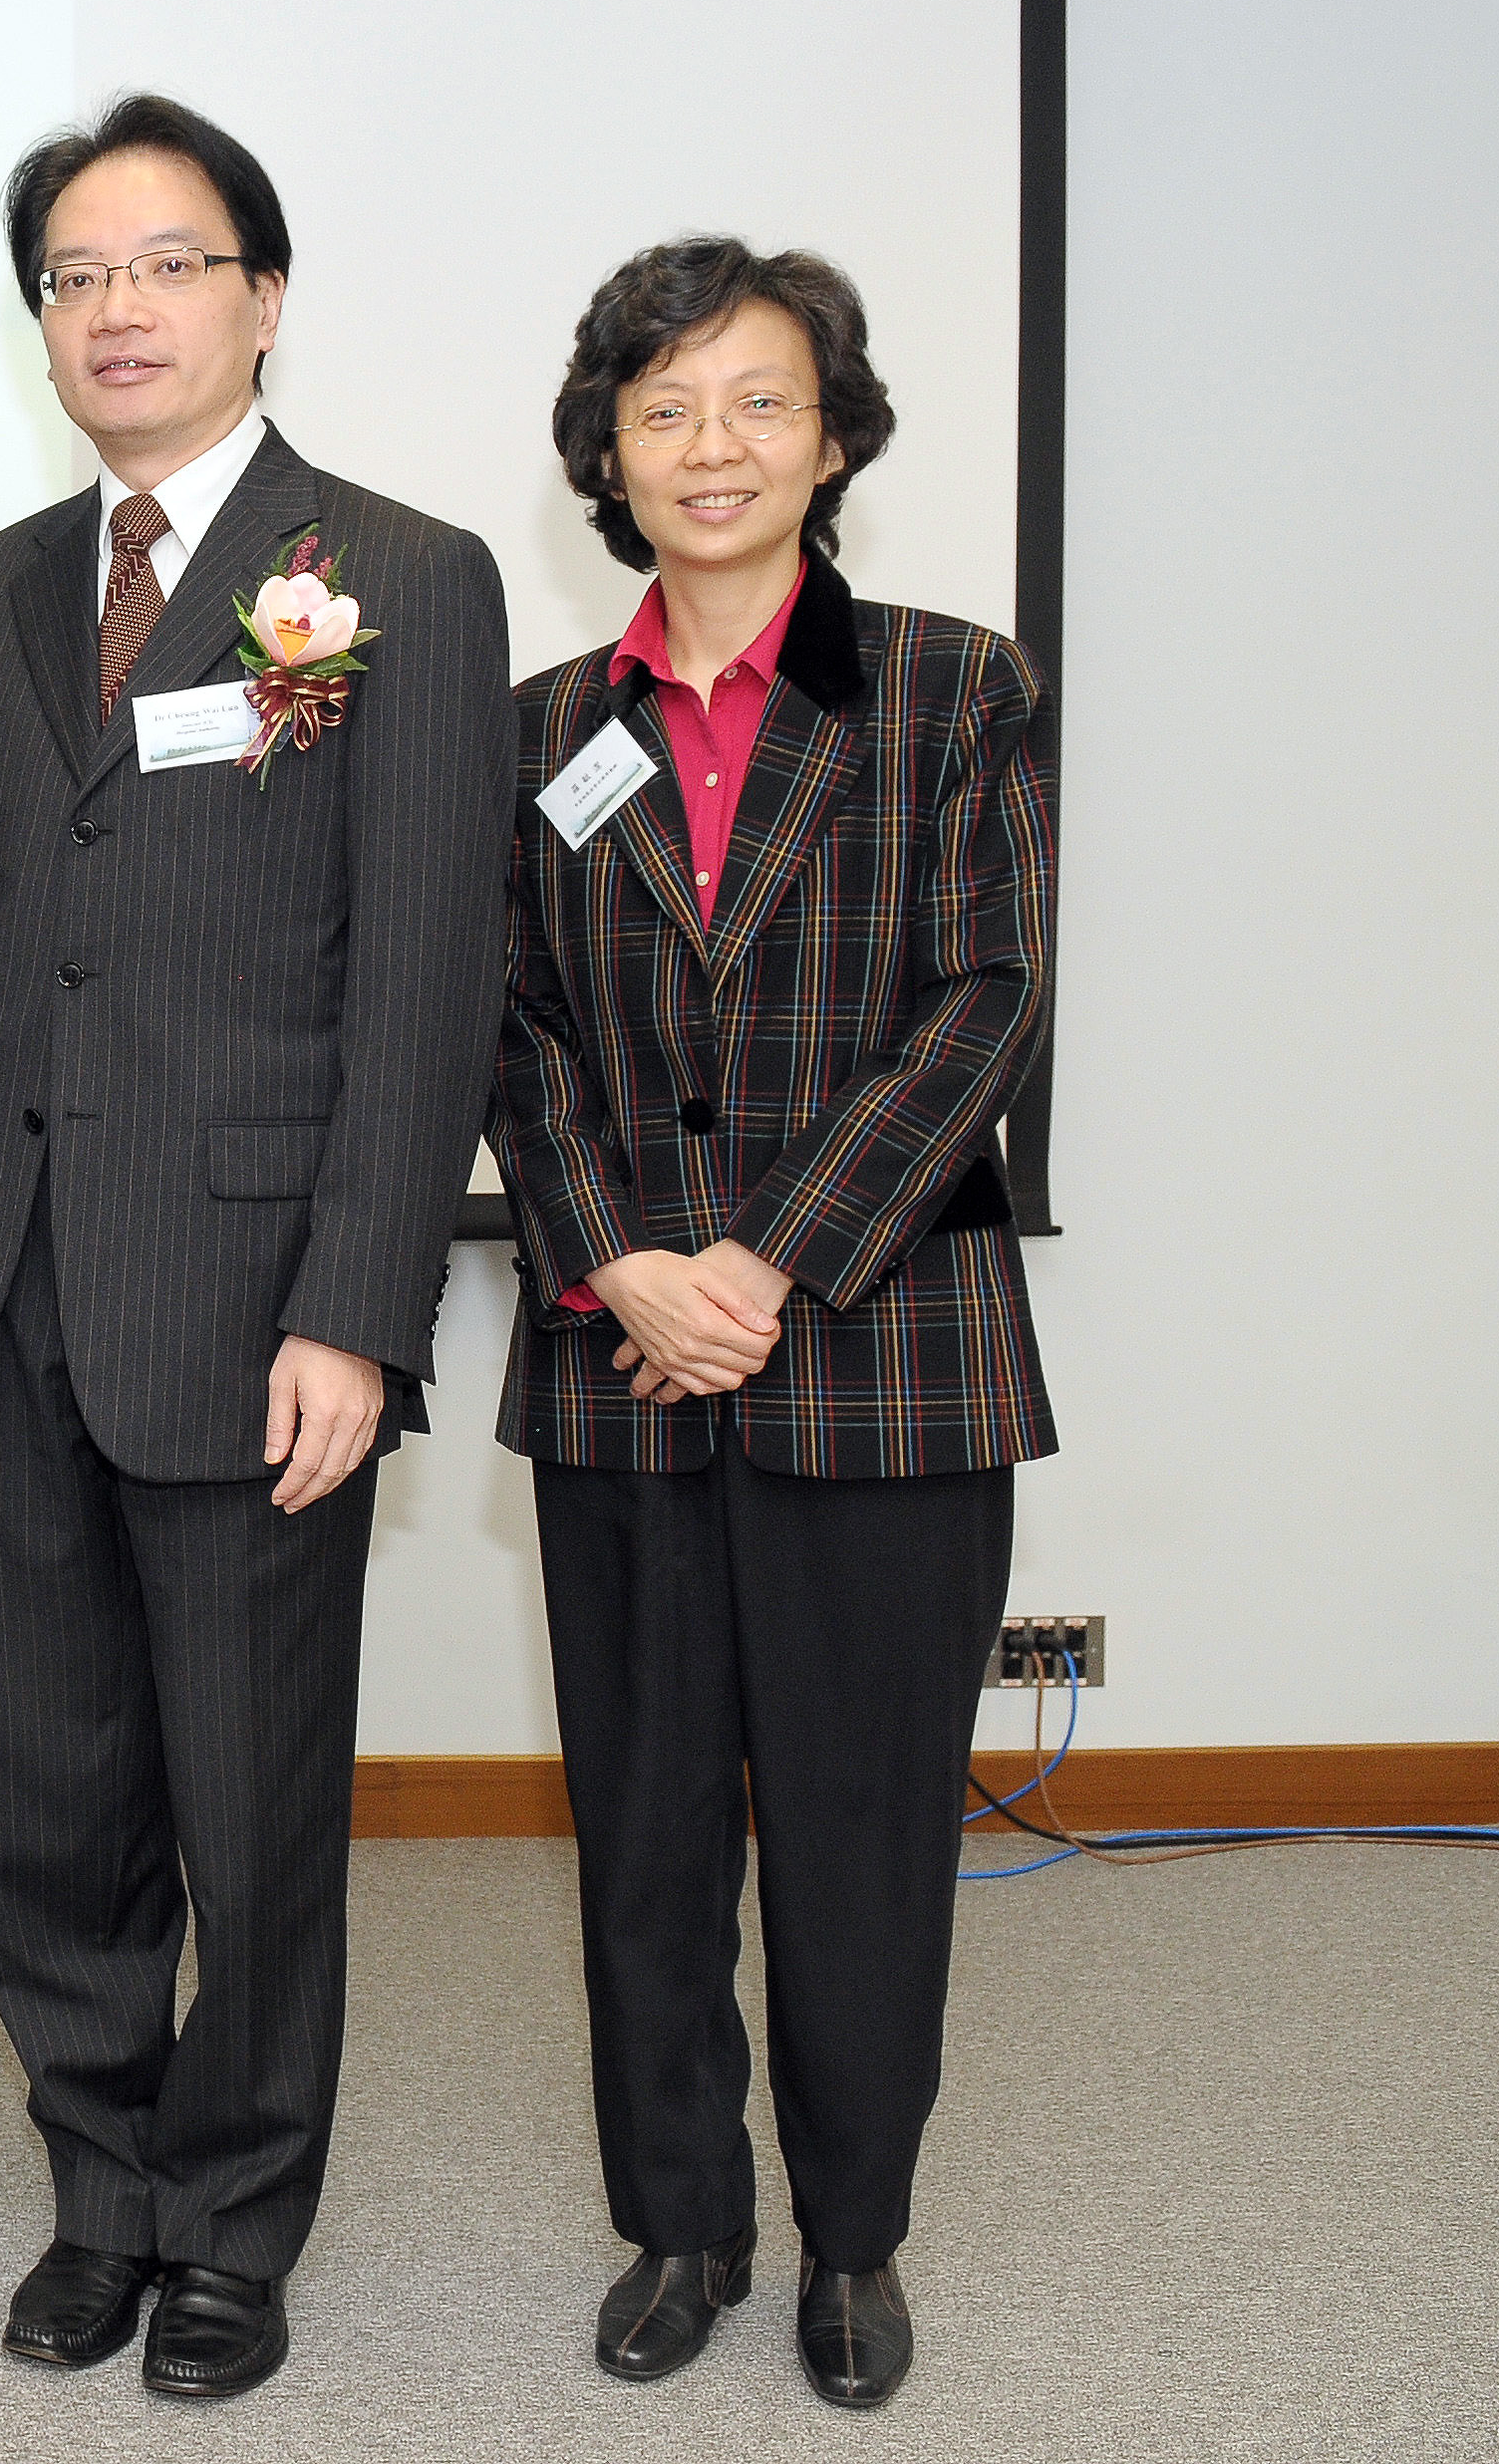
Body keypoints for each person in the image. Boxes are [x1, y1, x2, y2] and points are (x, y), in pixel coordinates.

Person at [0, 96, 512, 2399]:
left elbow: (426, 970)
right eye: (70, 272)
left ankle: (235, 2218)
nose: (115, 305)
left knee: (251, 1809)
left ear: (258, 290)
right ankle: (95, 2183)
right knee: (39, 1798)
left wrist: (360, 1299)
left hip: (250, 1298)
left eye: (162, 261)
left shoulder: (402, 573)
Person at [494, 239, 1053, 2411]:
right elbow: (513, 1028)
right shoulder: (545, 730)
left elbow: (979, 1002)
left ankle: (848, 2240)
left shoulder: (948, 683)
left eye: (753, 401)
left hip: (884, 1357)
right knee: (638, 1833)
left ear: (832, 436)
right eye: (660, 409)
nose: (705, 445)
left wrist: (766, 1262)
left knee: (858, 1838)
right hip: (618, 1364)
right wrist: (622, 1256)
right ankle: (680, 2222)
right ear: (603, 455)